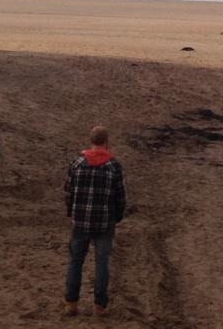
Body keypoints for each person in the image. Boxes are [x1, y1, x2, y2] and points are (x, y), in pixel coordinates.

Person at [63, 125, 126, 317]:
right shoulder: (113, 166)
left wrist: (71, 213)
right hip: (104, 222)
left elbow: (68, 193)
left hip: (81, 221)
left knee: (75, 261)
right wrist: (117, 217)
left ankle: (71, 303)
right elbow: (120, 197)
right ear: (106, 142)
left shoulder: (77, 164)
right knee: (101, 264)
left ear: (91, 141)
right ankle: (99, 306)